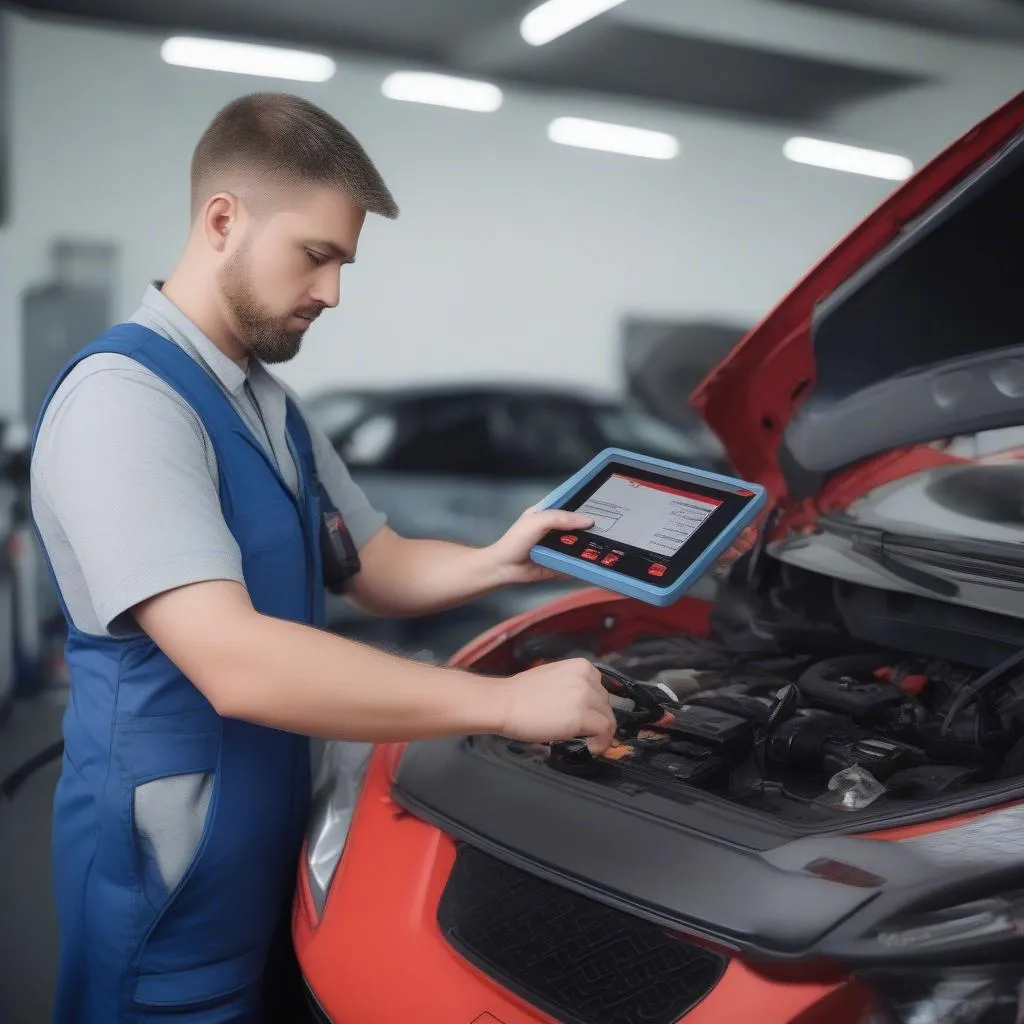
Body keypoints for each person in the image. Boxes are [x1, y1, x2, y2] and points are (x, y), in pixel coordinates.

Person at [30, 92, 617, 1023]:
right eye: (316, 256)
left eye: (344, 263)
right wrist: (506, 703)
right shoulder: (124, 401)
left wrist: (501, 559)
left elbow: (373, 562)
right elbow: (233, 661)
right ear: (224, 220)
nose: (332, 293)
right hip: (169, 867)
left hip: (275, 832)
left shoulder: (269, 404)